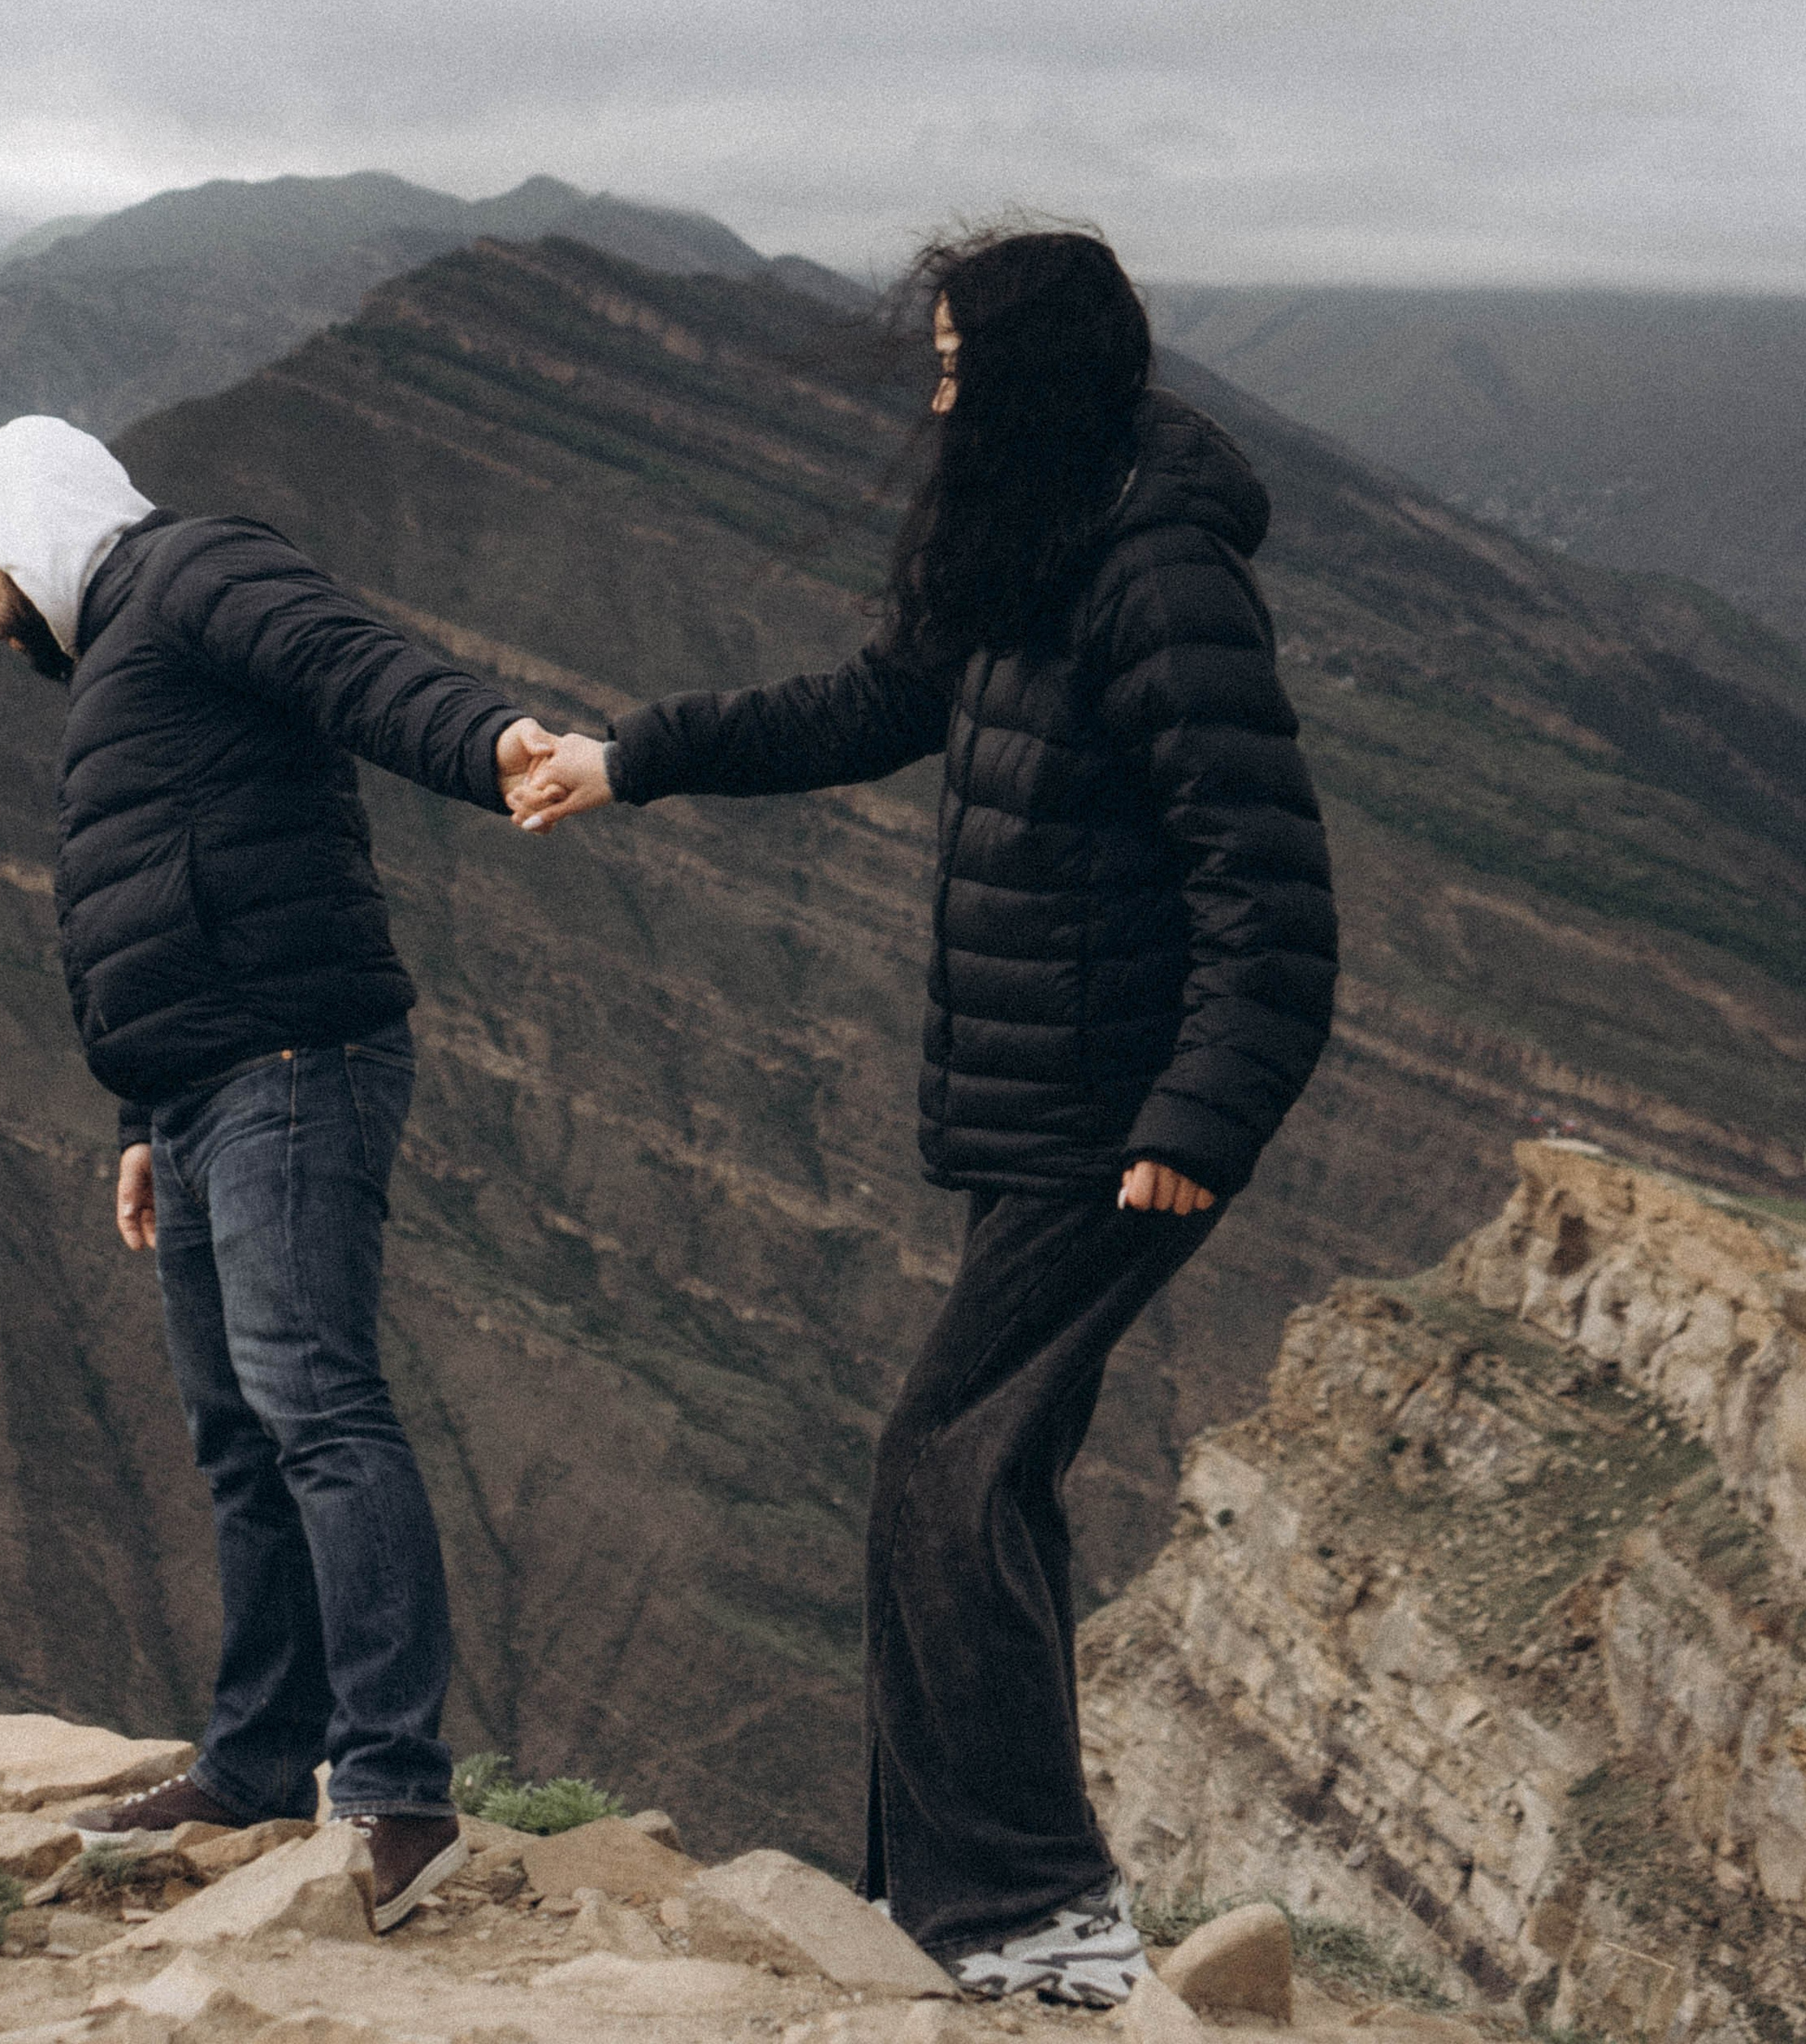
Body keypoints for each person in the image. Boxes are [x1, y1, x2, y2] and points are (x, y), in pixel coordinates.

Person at [511, 227, 1338, 2005]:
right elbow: (874, 700)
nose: (938, 397)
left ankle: (1038, 1915)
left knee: (939, 1473)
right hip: (1042, 1101)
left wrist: (1197, 1117)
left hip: (1119, 1121)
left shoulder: (1156, 575)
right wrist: (628, 754)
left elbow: (1268, 895)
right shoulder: (1035, 545)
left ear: (1035, 377)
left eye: (960, 367)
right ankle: (957, 1900)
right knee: (994, 1481)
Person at [0, 414, 559, 1929]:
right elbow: (147, 910)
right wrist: (138, 1120)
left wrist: (491, 744)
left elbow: (358, 665)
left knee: (320, 1408)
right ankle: (259, 1760)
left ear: (26, 526)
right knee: (239, 1437)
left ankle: (398, 1790)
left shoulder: (197, 574)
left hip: (293, 1065)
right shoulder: (127, 656)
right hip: (204, 1090)